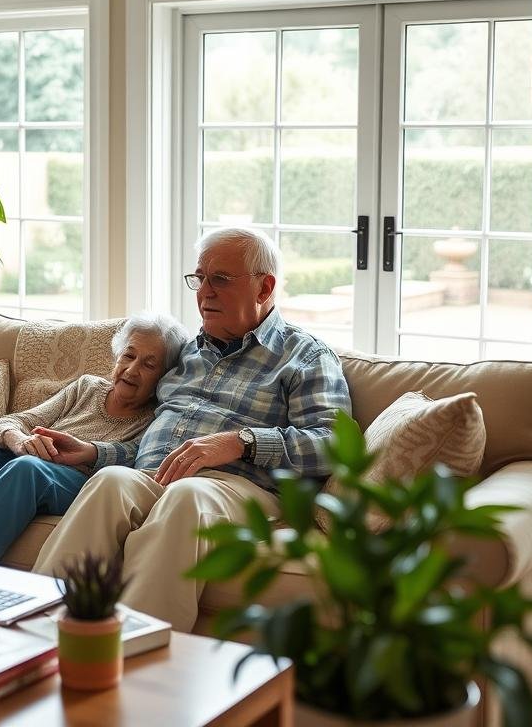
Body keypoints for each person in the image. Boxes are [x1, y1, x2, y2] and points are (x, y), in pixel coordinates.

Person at [31, 227, 352, 632]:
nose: (205, 292)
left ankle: (136, 654)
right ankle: (38, 631)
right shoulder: (185, 353)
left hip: (238, 487)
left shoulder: (304, 355)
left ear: (264, 286)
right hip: (159, 473)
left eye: (220, 279)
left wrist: (241, 442)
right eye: (200, 278)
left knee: (186, 496)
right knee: (110, 481)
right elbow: (158, 443)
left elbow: (335, 445)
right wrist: (97, 453)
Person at [0, 312, 190, 563]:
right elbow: (12, 421)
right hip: (25, 458)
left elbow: (134, 454)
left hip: (77, 481)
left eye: (149, 364)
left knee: (28, 469)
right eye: (128, 356)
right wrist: (19, 441)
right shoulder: (87, 387)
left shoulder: (157, 417)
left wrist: (90, 451)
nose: (131, 370)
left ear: (164, 377)